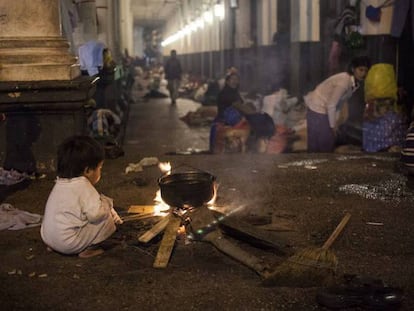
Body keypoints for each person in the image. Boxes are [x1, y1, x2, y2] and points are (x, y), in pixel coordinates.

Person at [40, 135, 123, 258]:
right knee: (106, 219)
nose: (100, 171)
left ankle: (55, 245)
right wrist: (107, 205)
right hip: (69, 244)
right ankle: (90, 249)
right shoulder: (83, 186)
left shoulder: (60, 183)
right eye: (100, 168)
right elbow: (96, 215)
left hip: (48, 237)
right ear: (88, 171)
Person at [304, 56, 371, 152]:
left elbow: (339, 103)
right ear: (353, 69)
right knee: (323, 145)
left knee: (326, 141)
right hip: (317, 107)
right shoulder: (344, 81)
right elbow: (331, 104)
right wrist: (332, 126)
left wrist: (335, 123)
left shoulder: (354, 84)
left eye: (365, 71)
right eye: (361, 70)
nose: (363, 74)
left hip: (323, 108)